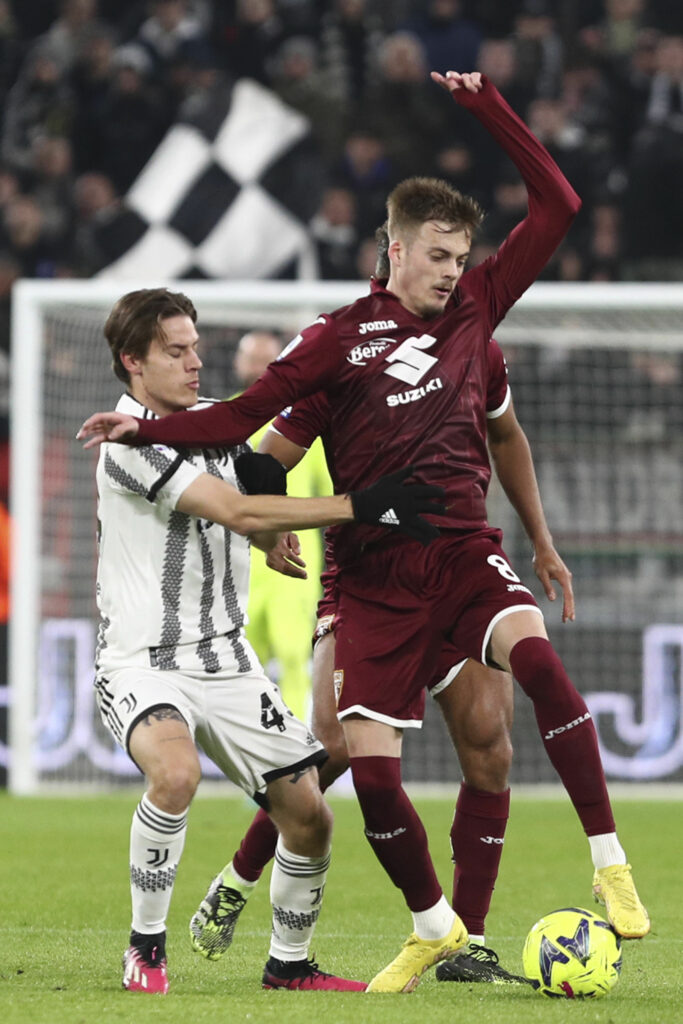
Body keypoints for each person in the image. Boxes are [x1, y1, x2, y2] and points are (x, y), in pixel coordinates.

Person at [79, 70, 650, 994]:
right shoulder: (338, 343)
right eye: (438, 255)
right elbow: (257, 449)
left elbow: (510, 412)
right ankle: (236, 885)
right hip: (368, 578)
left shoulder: (479, 322)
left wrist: (488, 109)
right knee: (338, 759)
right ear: (392, 250)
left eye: (463, 257)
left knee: (493, 732)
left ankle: (472, 929)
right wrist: (165, 443)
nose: (454, 271)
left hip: (460, 557)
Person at [89, 286, 445, 995]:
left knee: (308, 816)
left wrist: (271, 534)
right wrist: (359, 506)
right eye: (177, 350)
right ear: (133, 362)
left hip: (225, 662)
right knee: (176, 774)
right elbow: (230, 506)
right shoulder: (127, 442)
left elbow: (247, 487)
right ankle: (145, 948)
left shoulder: (207, 424)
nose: (196, 361)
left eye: (196, 346)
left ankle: (288, 966)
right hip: (143, 661)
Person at [232, 329, 331, 720]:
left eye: (265, 360)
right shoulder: (224, 419)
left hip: (296, 566)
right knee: (242, 665)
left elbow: (332, 494)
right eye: (251, 358)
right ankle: (250, 748)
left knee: (295, 657)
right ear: (239, 364)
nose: (258, 368)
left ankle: (299, 749)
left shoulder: (306, 425)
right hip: (239, 567)